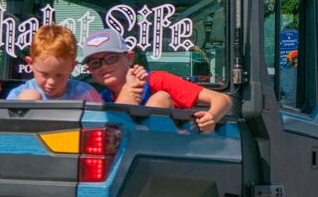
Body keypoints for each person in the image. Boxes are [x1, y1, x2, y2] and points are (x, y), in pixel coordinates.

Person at [76, 30, 234, 128]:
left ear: (129, 57)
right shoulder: (100, 99)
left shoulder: (158, 80)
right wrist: (129, 90)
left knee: (160, 98)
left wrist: (211, 117)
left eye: (111, 58)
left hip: (170, 152)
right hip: (126, 158)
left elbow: (223, 99)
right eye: (95, 63)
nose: (104, 66)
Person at [8, 25, 102, 102]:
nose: (51, 82)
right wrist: (22, 106)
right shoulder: (17, 95)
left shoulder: (85, 94)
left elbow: (100, 119)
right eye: (44, 74)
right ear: (30, 63)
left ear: (72, 66)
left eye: (59, 75)